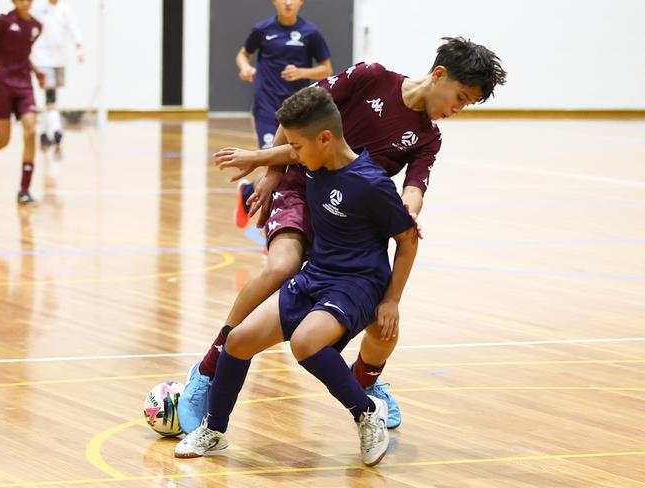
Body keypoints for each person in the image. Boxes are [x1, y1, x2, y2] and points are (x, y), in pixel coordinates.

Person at [178, 37, 507, 433]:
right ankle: (208, 371)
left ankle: (367, 384)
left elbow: (415, 187)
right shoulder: (371, 77)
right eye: (460, 97)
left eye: (466, 105)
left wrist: (409, 211)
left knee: (384, 320)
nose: (457, 110)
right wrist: (271, 172)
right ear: (439, 75)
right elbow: (298, 114)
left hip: (351, 218)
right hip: (302, 185)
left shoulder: (428, 137)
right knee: (281, 265)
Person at [175, 86, 419, 466]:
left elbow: (407, 241)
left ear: (325, 138)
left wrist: (391, 301)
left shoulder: (371, 183)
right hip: (316, 275)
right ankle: (215, 431)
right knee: (239, 340)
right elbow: (287, 154)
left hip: (358, 284)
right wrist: (261, 167)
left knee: (304, 343)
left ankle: (365, 412)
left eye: (297, 147)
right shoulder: (313, 160)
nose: (294, 156)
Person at [233, 0, 332, 228]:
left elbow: (326, 68)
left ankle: (248, 192)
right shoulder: (262, 30)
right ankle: (272, 232)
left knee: (294, 165)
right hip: (267, 107)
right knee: (274, 164)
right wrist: (245, 68)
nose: (288, 2)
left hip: (298, 111)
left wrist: (302, 72)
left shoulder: (310, 33)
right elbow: (242, 54)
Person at [0, 0, 43, 205]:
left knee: (31, 131)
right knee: (3, 140)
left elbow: (23, 52)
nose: (25, 2)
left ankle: (24, 190)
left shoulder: (36, 26)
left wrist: (36, 71)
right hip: (2, 85)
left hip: (24, 85)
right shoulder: (2, 22)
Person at [31, 0, 83, 150]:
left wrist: (79, 47)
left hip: (59, 58)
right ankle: (54, 129)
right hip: (42, 56)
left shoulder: (66, 9)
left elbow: (74, 28)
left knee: (52, 97)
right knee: (50, 94)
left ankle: (46, 132)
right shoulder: (38, 8)